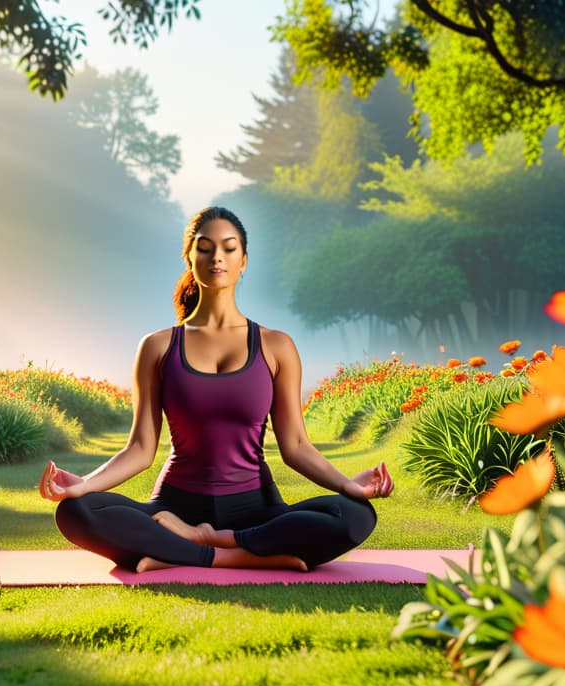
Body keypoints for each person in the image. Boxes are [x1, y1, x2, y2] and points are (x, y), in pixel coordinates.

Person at [40, 207, 393, 572]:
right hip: (174, 508)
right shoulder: (158, 347)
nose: (217, 257)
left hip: (257, 510)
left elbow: (297, 447)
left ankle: (202, 545)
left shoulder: (276, 346)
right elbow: (141, 449)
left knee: (354, 515)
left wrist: (348, 485)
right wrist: (83, 485)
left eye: (228, 247)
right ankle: (243, 555)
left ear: (243, 260)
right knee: (76, 512)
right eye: (205, 247)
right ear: (189, 257)